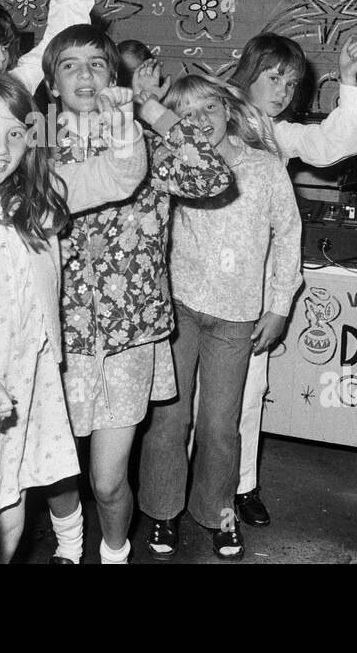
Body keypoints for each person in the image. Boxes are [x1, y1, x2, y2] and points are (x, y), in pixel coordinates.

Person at [43, 26, 232, 564]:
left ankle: (115, 551)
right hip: (59, 334)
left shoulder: (145, 142)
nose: (85, 75)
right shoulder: (33, 147)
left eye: (97, 65)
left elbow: (213, 175)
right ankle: (66, 544)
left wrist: (153, 110)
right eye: (70, 65)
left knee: (106, 480)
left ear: (114, 76)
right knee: (55, 467)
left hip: (130, 337)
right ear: (53, 85)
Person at [0, 74, 147, 561]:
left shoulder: (38, 195)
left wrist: (124, 129)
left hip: (31, 374)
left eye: (15, 132)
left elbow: (119, 175)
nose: (0, 146)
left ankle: (65, 548)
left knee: (12, 500)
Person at [139, 74, 301, 561]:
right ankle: (163, 511)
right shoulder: (171, 164)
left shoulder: (266, 168)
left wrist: (279, 306)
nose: (198, 122)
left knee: (219, 424)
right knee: (168, 419)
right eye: (185, 115)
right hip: (178, 308)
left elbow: (288, 235)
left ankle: (216, 511)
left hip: (236, 316)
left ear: (229, 111)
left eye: (207, 109)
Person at [222, 32, 357, 525]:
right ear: (249, 71)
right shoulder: (208, 115)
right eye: (274, 78)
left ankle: (241, 486)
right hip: (198, 280)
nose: (283, 92)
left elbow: (331, 144)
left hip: (252, 284)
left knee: (248, 392)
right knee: (194, 398)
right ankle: (179, 489)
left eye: (290, 84)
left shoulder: (276, 134)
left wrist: (350, 83)